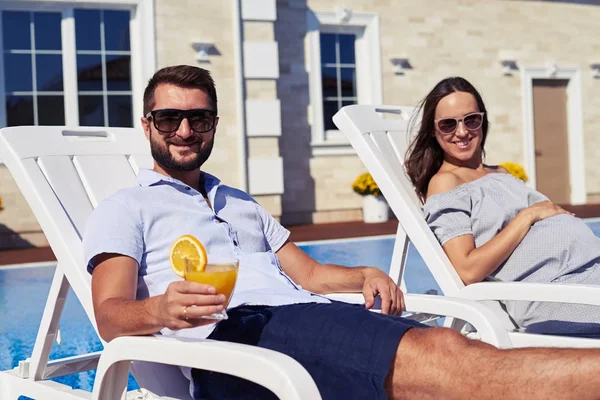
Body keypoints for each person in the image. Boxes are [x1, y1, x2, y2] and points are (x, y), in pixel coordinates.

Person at [84, 65, 600, 400]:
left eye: (197, 118)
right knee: (449, 361)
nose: (184, 131)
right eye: (169, 117)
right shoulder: (126, 207)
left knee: (444, 352)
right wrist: (159, 310)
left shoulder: (238, 202)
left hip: (303, 319)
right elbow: (109, 318)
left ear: (214, 124)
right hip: (241, 342)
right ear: (148, 123)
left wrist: (362, 273)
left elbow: (307, 273)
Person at [405, 76, 600, 335]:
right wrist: (527, 216)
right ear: (433, 130)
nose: (462, 132)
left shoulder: (499, 172)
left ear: (483, 121)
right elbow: (468, 269)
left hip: (587, 276)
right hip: (558, 295)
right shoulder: (445, 183)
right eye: (448, 124)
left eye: (471, 119)